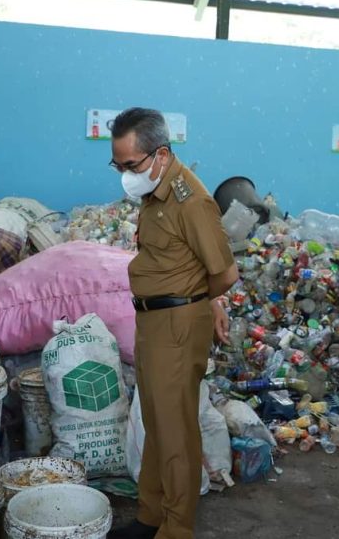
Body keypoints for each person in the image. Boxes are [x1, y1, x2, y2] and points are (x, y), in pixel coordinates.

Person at [107, 107, 238, 539]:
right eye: (118, 165)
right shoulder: (154, 191)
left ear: (160, 154)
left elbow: (224, 272)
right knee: (156, 423)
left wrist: (203, 301)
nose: (125, 174)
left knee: (177, 429)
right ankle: (150, 516)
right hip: (154, 321)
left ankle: (176, 528)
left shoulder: (191, 201)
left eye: (130, 165)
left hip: (178, 324)